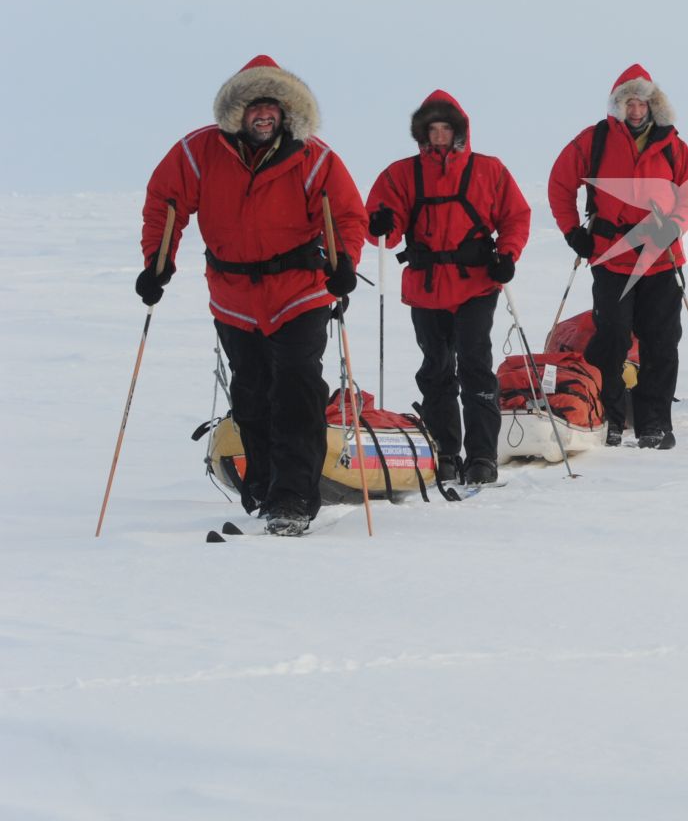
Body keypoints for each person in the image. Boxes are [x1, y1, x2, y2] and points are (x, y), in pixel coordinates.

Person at [137, 55, 366, 536]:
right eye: (253, 107)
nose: (263, 115)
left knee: (297, 389)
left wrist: (343, 266)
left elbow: (345, 215)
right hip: (233, 294)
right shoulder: (199, 152)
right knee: (251, 394)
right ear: (236, 112)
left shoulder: (315, 157)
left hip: (299, 292)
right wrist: (157, 265)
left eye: (273, 107)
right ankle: (263, 483)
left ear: (287, 113)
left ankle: (293, 497)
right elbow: (166, 203)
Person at [365, 91, 531, 485]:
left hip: (477, 283)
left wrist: (507, 254)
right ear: (422, 133)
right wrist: (381, 224)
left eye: (446, 128)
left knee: (475, 367)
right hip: (425, 287)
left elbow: (515, 216)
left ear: (460, 131)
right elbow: (381, 225)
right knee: (436, 370)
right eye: (432, 129)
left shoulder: (489, 170)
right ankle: (445, 453)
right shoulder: (401, 174)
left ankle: (482, 456)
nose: (439, 136)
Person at [548, 65, 688, 449]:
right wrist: (573, 232)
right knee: (613, 339)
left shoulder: (674, 144)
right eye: (628, 102)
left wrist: (677, 224)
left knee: (661, 342)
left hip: (662, 258)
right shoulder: (594, 140)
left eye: (642, 102)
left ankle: (654, 422)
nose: (635, 110)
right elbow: (560, 184)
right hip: (611, 258)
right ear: (618, 105)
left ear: (654, 104)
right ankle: (611, 418)